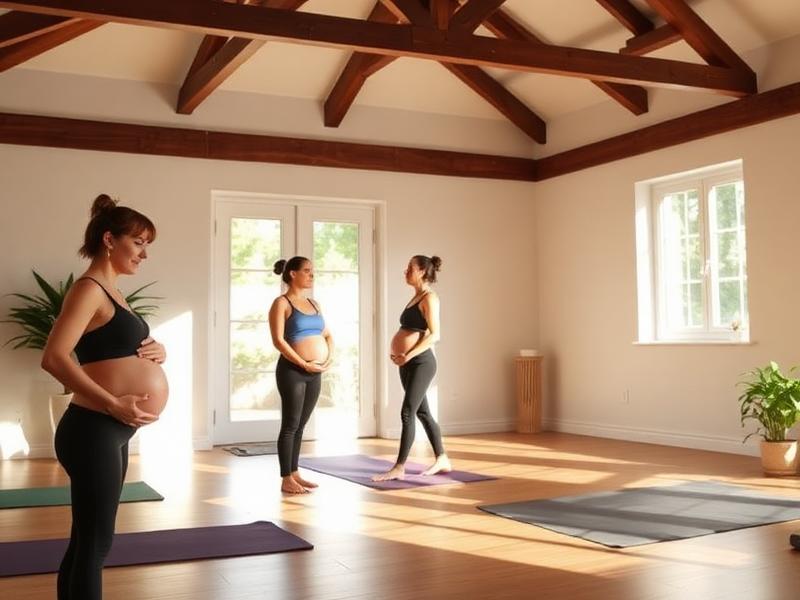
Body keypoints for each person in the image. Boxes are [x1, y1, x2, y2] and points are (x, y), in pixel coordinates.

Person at [41, 193, 168, 600]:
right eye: (139, 242)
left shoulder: (115, 292)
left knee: (87, 540)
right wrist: (113, 403)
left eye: (148, 244)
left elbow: (117, 347)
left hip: (113, 429)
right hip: (92, 427)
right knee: (96, 544)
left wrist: (157, 350)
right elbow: (55, 357)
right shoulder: (90, 289)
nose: (144, 254)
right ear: (110, 240)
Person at [373, 255, 451, 481]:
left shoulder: (430, 298)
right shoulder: (415, 297)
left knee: (408, 411)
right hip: (407, 362)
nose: (405, 271)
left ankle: (399, 466)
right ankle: (442, 458)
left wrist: (407, 354)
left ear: (422, 272)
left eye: (410, 268)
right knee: (422, 412)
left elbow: (435, 335)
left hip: (422, 363)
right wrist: (399, 353)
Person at [268, 256, 333, 494]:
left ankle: (295, 472)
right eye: (307, 271)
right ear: (293, 274)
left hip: (315, 371)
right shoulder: (282, 303)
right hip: (293, 371)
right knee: (290, 425)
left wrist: (329, 358)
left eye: (312, 271)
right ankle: (286, 477)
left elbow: (327, 335)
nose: (312, 275)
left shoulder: (315, 304)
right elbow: (278, 341)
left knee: (301, 425)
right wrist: (304, 364)